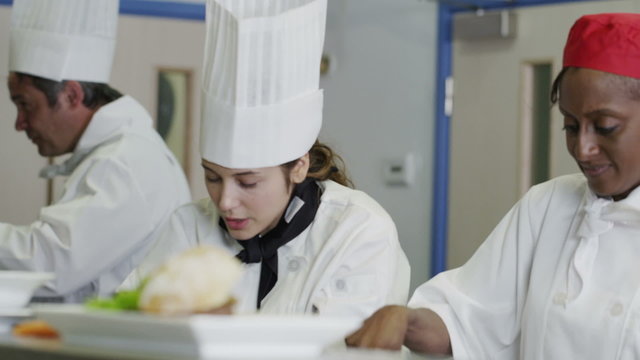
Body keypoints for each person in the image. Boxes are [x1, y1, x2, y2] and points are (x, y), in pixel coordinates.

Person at [346, 12, 640, 359]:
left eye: (605, 126)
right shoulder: (548, 206)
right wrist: (404, 320)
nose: (582, 148)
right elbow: (465, 320)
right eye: (571, 126)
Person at [127, 0, 410, 318]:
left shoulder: (356, 229)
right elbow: (130, 322)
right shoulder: (188, 227)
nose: (225, 202)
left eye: (247, 182)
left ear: (298, 167)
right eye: (213, 177)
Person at [2, 0, 191, 302]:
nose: (20, 123)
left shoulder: (124, 161)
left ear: (72, 95)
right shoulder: (117, 154)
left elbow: (50, 266)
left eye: (25, 104)